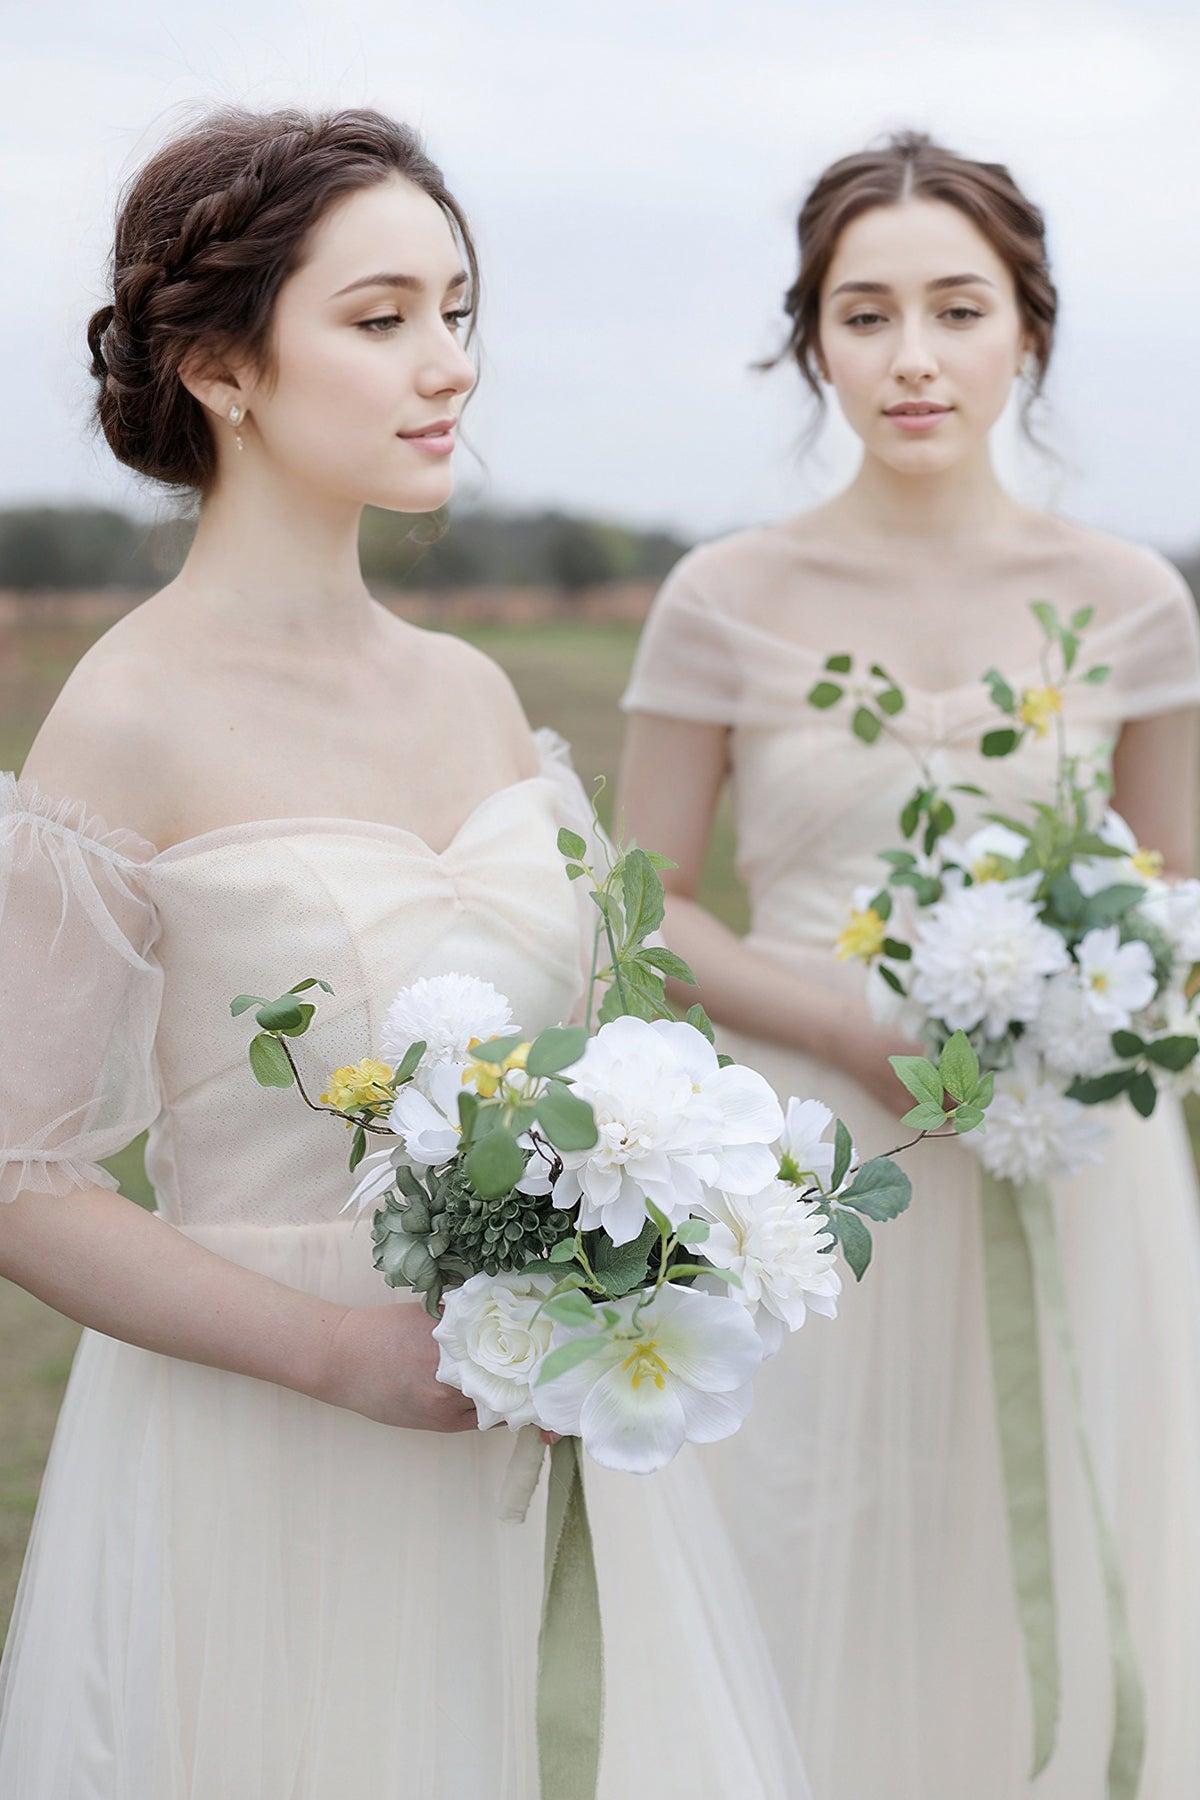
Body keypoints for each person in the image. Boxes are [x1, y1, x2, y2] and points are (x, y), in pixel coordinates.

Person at [0, 106, 809, 1798]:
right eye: (379, 321)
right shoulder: (127, 716)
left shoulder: (475, 692)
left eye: (455, 312)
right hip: (264, 1444)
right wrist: (340, 1355)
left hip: (526, 1419)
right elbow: (21, 1175)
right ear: (221, 365)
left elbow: (594, 1058)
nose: (445, 363)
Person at [617, 129, 1200, 1799]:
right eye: (865, 316)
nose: (915, 357)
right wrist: (855, 1027)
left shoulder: (1134, 602)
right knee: (826, 1547)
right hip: (820, 1162)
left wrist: (1094, 998)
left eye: (960, 307)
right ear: (815, 344)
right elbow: (645, 905)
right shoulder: (723, 597)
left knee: (1083, 1549)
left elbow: (1170, 898)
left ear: (1030, 327)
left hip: (1071, 1154)